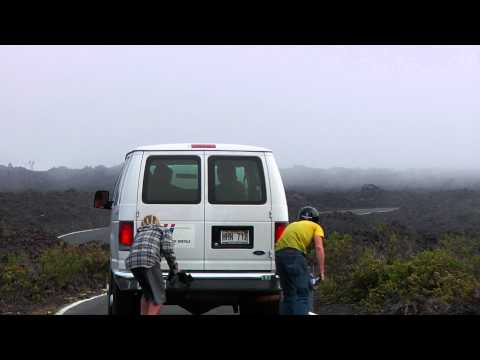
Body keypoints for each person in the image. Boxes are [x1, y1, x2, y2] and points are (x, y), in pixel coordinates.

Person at [275, 206, 325, 315]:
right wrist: (321, 272)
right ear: (316, 219)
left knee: (288, 295)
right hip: (294, 254)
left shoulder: (292, 225)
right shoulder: (316, 226)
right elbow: (319, 248)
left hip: (278, 255)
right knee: (303, 294)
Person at [125, 215, 178, 315]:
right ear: (157, 222)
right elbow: (168, 250)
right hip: (149, 261)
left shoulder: (140, 232)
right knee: (158, 297)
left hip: (132, 263)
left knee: (147, 294)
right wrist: (174, 268)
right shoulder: (163, 230)